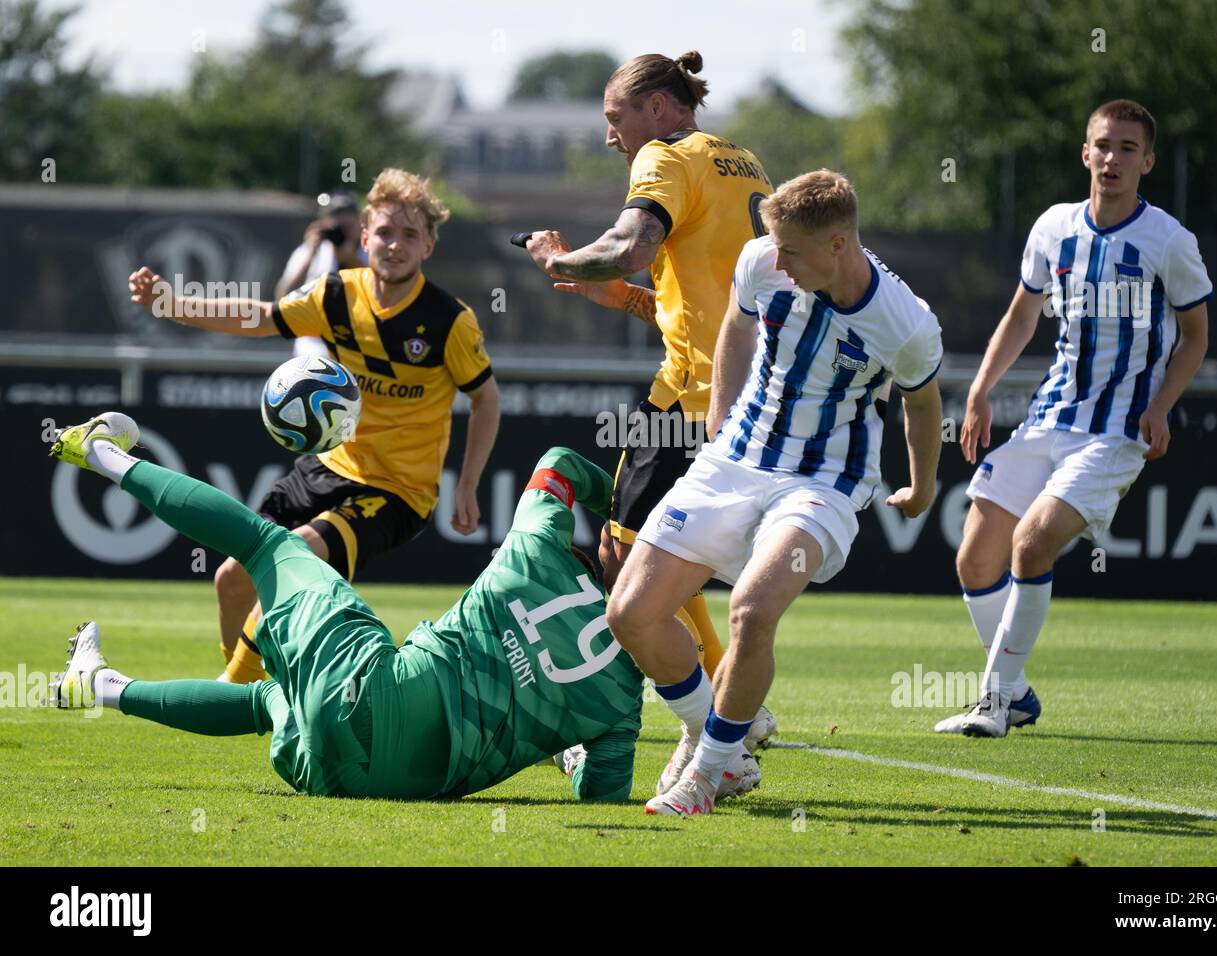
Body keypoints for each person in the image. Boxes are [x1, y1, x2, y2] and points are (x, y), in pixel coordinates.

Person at [45, 413, 742, 801]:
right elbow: (600, 795)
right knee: (270, 704)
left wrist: (614, 507)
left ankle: (100, 453)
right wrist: (566, 748)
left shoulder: (541, 545)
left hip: (367, 696)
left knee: (265, 545)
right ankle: (100, 685)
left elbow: (559, 459)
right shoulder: (623, 705)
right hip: (358, 779)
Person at [605, 170, 945, 815]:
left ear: (840, 244)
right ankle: (724, 747)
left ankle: (704, 778)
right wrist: (720, 416)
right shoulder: (764, 258)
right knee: (631, 613)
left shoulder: (905, 323)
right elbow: (737, 323)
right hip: (734, 459)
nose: (775, 258)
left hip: (824, 482)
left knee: (753, 612)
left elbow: (923, 405)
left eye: (791, 249)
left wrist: (923, 487)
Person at [127, 168, 501, 685]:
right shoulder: (335, 295)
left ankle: (232, 694)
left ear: (429, 246)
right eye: (386, 233)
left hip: (397, 492)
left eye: (410, 235)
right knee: (233, 578)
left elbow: (485, 399)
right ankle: (252, 684)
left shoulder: (449, 321)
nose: (395, 245)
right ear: (364, 237)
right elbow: (260, 316)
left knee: (291, 558)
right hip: (327, 466)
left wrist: (467, 483)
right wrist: (172, 304)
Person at [523, 50, 777, 773]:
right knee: (629, 553)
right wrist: (622, 298)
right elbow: (696, 302)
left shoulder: (663, 157)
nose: (611, 137)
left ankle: (719, 736)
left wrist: (559, 264)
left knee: (633, 569)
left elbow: (633, 246)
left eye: (616, 118)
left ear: (660, 108)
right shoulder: (744, 161)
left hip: (702, 399)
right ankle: (732, 714)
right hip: (727, 389)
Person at [937, 99, 1211, 738]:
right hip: (1047, 419)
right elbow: (1022, 315)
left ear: (1148, 161)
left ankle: (995, 702)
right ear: (1084, 153)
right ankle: (1017, 694)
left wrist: (1161, 406)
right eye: (1102, 145)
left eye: (1126, 148)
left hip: (1116, 432)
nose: (1112, 158)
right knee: (976, 560)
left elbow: (1196, 335)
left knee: (1031, 544)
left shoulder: (1168, 240)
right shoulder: (1053, 227)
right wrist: (979, 390)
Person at [274, 191, 368, 361]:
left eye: (348, 215)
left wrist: (348, 256)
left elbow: (377, 291)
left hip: (360, 345)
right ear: (322, 221)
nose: (341, 221)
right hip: (314, 344)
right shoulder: (309, 252)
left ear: (359, 221)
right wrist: (311, 253)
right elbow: (282, 296)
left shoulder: (370, 252)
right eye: (335, 215)